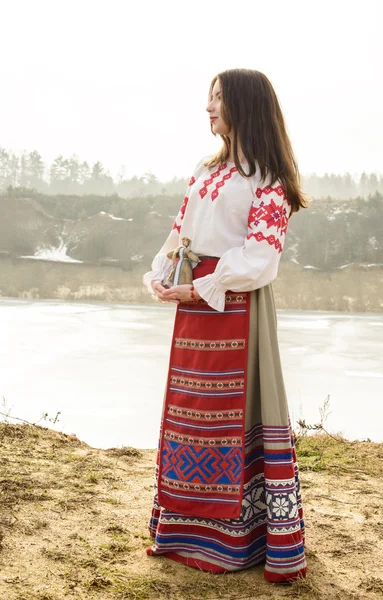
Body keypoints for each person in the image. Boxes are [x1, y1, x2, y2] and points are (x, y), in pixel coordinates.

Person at [142, 68, 308, 583]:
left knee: (231, 419)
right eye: (208, 99)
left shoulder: (268, 179)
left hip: (236, 306)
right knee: (191, 412)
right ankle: (183, 532)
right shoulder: (206, 168)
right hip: (195, 302)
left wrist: (202, 287)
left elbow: (261, 255)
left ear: (244, 105)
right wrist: (163, 273)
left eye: (217, 99)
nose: (208, 109)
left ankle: (241, 543)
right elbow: (181, 230)